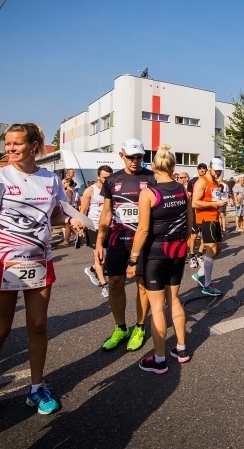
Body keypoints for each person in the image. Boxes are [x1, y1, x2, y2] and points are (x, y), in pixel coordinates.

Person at [0, 123, 79, 424]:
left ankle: (36, 387)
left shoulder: (50, 179)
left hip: (39, 262)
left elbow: (56, 215)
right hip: (3, 264)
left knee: (38, 326)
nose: (10, 149)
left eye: (16, 144)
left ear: (34, 146)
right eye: (7, 144)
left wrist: (74, 221)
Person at [126, 145, 194, 374]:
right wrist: (182, 245)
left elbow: (143, 229)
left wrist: (132, 259)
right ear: (174, 167)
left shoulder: (149, 193)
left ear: (153, 167)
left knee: (157, 308)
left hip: (155, 254)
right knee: (174, 300)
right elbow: (189, 226)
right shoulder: (183, 191)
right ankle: (182, 349)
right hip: (177, 251)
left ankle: (159, 359)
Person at [95, 139, 157, 352]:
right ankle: (120, 328)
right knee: (114, 282)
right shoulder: (112, 180)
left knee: (142, 283)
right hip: (117, 240)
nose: (135, 161)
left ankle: (139, 327)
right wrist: (99, 241)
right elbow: (106, 212)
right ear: (122, 155)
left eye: (139, 157)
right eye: (131, 157)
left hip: (143, 240)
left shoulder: (151, 177)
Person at [190, 158, 230, 296]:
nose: (218, 173)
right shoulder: (201, 182)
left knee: (218, 249)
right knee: (211, 249)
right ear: (209, 167)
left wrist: (221, 203)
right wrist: (215, 204)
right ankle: (207, 285)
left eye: (220, 171)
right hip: (205, 219)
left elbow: (213, 200)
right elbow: (195, 203)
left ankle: (200, 274)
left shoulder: (214, 182)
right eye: (216, 170)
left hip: (215, 218)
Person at [79, 164, 114, 297]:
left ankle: (92, 269)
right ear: (98, 176)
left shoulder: (113, 189)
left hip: (110, 226)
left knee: (111, 257)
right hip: (94, 227)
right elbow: (82, 211)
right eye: (105, 177)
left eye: (110, 177)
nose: (107, 180)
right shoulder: (90, 190)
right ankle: (104, 285)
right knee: (99, 256)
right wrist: (81, 227)